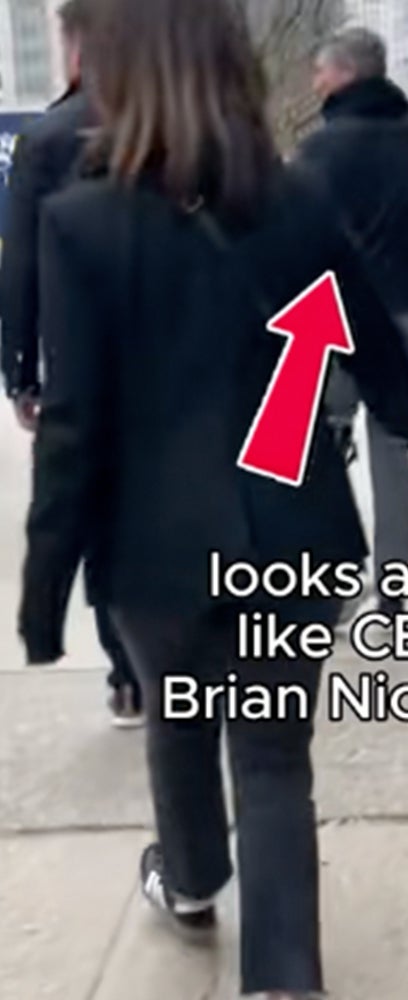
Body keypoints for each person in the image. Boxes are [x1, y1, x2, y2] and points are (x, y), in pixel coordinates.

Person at [16, 0, 408, 995]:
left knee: (178, 707)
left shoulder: (81, 222)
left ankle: (195, 879)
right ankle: (283, 976)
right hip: (291, 528)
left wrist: (45, 593)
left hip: (156, 550)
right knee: (273, 754)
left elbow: (73, 425)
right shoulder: (294, 200)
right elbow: (364, 334)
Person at [0, 0, 144, 726]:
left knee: (91, 501)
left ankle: (124, 667)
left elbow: (19, 266)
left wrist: (19, 369)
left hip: (76, 356)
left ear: (78, 47)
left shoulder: (45, 138)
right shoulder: (167, 126)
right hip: (167, 354)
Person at [295, 26, 408, 617]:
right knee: (392, 459)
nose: (314, 81)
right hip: (400, 316)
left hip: (330, 321)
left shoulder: (319, 151)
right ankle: (392, 595)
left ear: (342, 75)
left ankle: (331, 587)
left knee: (323, 454)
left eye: (319, 71)